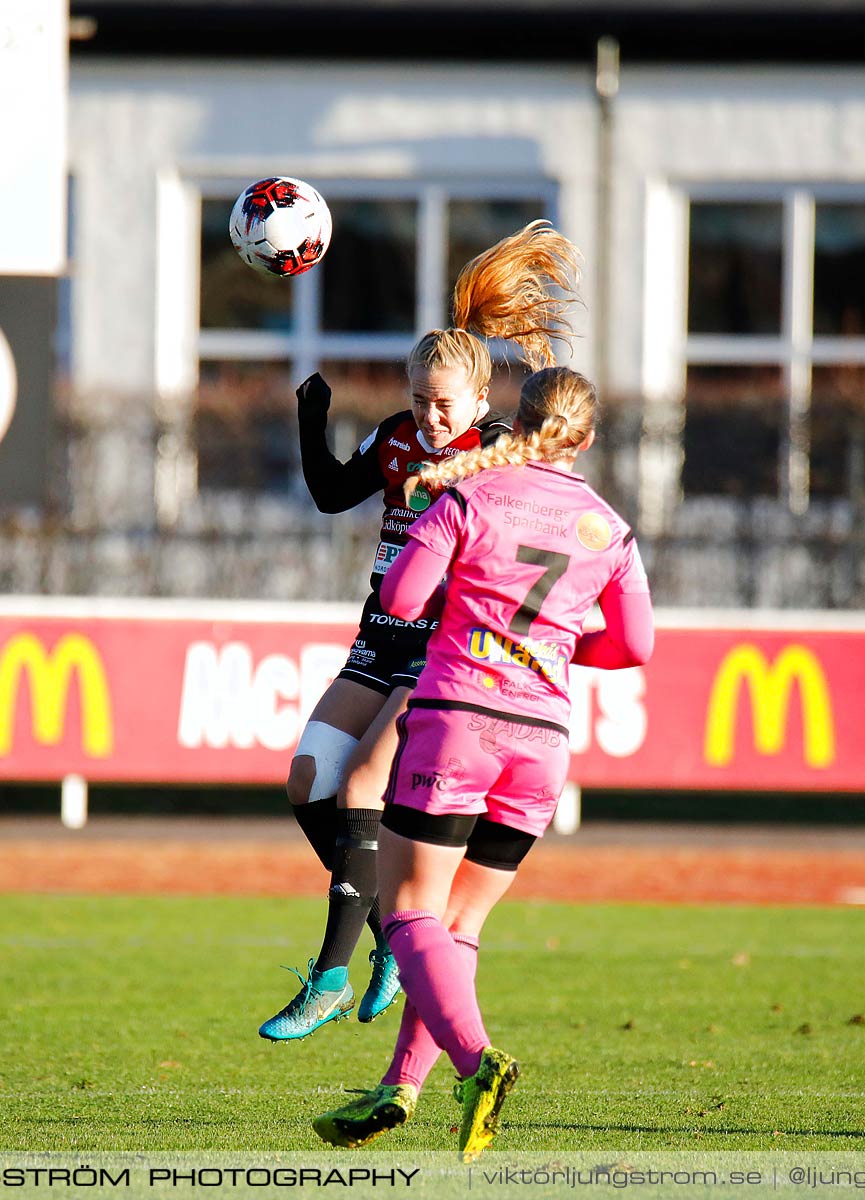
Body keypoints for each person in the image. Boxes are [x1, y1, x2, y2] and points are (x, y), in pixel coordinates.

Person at [309, 365, 654, 1160]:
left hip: (458, 719)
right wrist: (552, 642)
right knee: (458, 925)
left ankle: (478, 1062)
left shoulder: (469, 495)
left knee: (407, 915)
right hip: (542, 740)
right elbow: (635, 645)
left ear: (513, 423)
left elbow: (399, 600)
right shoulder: (609, 526)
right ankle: (401, 1085)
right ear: (588, 438)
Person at [260, 221, 582, 1042]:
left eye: (447, 402)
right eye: (421, 399)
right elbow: (334, 494)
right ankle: (388, 942)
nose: (433, 417)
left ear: (482, 401)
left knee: (365, 784)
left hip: (448, 643)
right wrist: (312, 422)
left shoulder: (500, 452)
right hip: (381, 629)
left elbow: (547, 483)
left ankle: (330, 973)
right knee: (308, 778)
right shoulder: (398, 438)